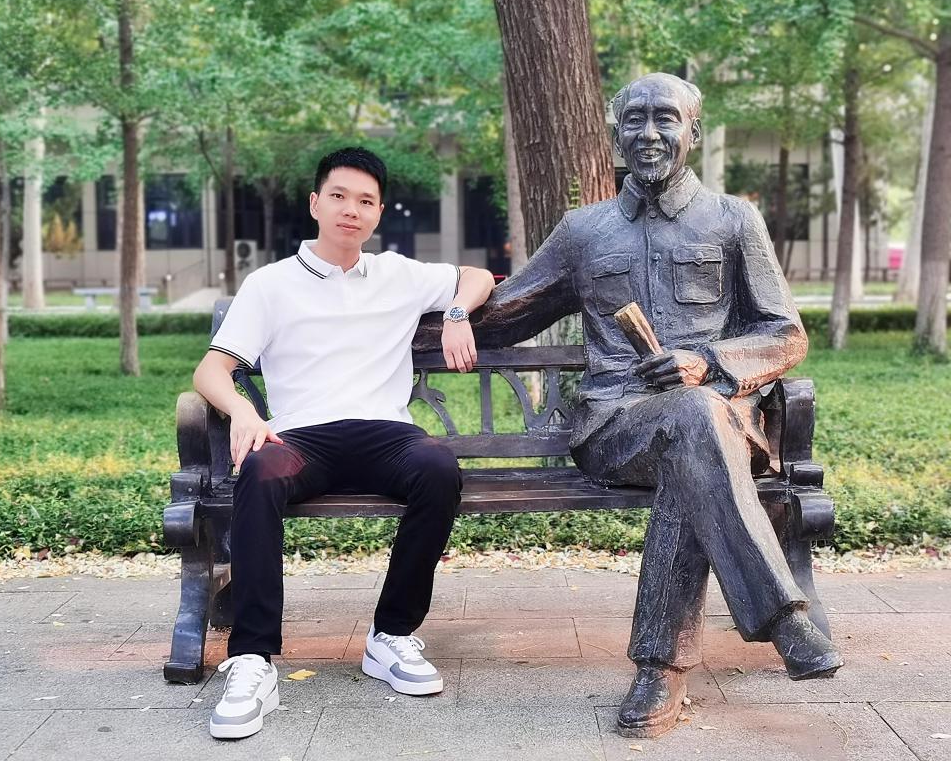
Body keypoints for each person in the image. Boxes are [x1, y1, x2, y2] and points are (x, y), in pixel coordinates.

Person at [451, 73, 843, 738]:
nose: (649, 132)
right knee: (692, 426)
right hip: (614, 427)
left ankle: (660, 668)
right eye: (634, 119)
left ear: (694, 131)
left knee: (693, 430)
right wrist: (430, 307)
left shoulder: (733, 221)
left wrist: (708, 362)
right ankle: (782, 619)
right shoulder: (584, 231)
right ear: (617, 135)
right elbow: (508, 312)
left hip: (717, 425)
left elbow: (785, 335)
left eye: (665, 118)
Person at [193, 147, 495, 740]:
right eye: (338, 196)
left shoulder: (398, 274)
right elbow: (211, 370)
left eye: (365, 201)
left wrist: (457, 312)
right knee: (260, 470)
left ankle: (391, 636)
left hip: (386, 433)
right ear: (315, 203)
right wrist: (243, 410)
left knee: (438, 468)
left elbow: (477, 276)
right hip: (302, 437)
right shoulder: (270, 285)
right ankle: (252, 659)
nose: (350, 210)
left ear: (379, 213)